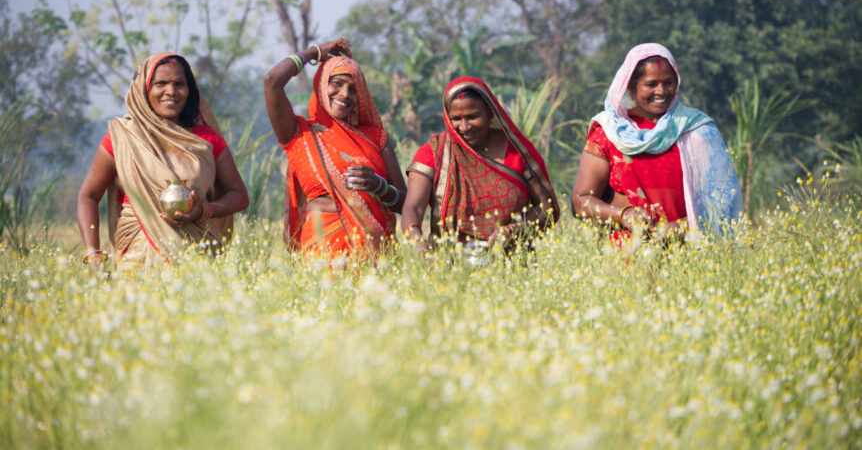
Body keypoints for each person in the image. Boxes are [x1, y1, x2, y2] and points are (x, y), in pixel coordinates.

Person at [77, 53, 249, 269]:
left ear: (190, 90)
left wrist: (204, 211)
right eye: (161, 83)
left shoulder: (205, 140)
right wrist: (93, 254)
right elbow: (89, 195)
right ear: (144, 89)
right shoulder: (123, 137)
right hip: (136, 261)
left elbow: (239, 195)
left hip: (197, 260)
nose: (171, 91)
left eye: (179, 84)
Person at [571, 43, 742, 240]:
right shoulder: (609, 133)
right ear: (631, 87)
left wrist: (685, 226)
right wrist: (623, 214)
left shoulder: (697, 130)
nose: (661, 91)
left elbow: (723, 201)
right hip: (625, 260)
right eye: (651, 84)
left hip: (690, 256)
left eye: (668, 83)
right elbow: (580, 201)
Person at [264, 38, 407, 260]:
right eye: (337, 83)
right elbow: (272, 81)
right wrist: (315, 52)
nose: (344, 94)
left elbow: (406, 203)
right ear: (321, 84)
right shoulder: (300, 134)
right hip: (322, 253)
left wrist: (379, 187)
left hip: (376, 256)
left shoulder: (376, 138)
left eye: (353, 89)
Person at [401, 76, 559, 252]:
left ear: (490, 112)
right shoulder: (434, 152)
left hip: (513, 263)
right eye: (456, 119)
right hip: (449, 263)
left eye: (472, 117)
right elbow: (413, 206)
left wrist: (514, 231)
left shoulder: (517, 151)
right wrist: (416, 239)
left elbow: (547, 207)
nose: (464, 127)